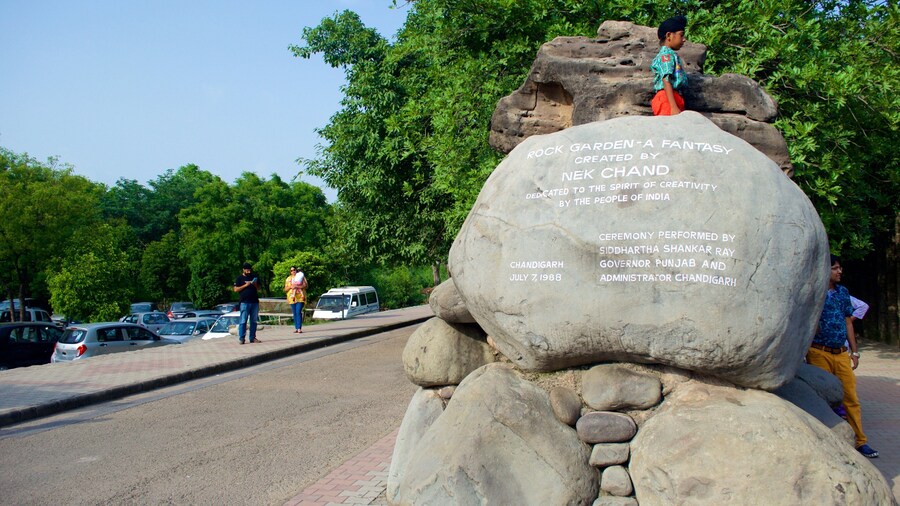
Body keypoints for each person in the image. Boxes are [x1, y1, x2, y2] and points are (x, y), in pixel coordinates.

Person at [807, 256, 878, 458]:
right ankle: (825, 442)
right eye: (835, 268)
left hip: (841, 353)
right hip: (818, 352)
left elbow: (848, 322)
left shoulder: (842, 293)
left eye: (840, 268)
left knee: (851, 398)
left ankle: (860, 441)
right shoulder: (815, 292)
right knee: (823, 399)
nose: (839, 272)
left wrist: (854, 351)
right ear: (824, 270)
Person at [650, 15, 688, 116]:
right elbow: (666, 79)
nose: (684, 39)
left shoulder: (671, 55)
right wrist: (673, 106)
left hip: (673, 97)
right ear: (669, 36)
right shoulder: (666, 55)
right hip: (667, 99)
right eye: (681, 35)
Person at [233, 262, 261, 344]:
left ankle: (252, 337)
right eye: (247, 270)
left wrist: (255, 284)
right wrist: (246, 285)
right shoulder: (239, 278)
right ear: (243, 270)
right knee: (243, 320)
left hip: (254, 301)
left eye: (249, 270)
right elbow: (235, 289)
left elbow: (259, 288)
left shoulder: (254, 277)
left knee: (254, 321)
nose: (248, 272)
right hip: (244, 302)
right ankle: (242, 338)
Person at [284, 266, 307, 333]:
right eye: (291, 270)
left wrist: (297, 286)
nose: (293, 271)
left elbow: (305, 286)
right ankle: (296, 328)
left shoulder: (301, 276)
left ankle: (299, 328)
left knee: (298, 311)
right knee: (294, 313)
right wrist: (291, 287)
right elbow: (285, 289)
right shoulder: (288, 279)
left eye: (294, 270)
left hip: (300, 298)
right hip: (292, 298)